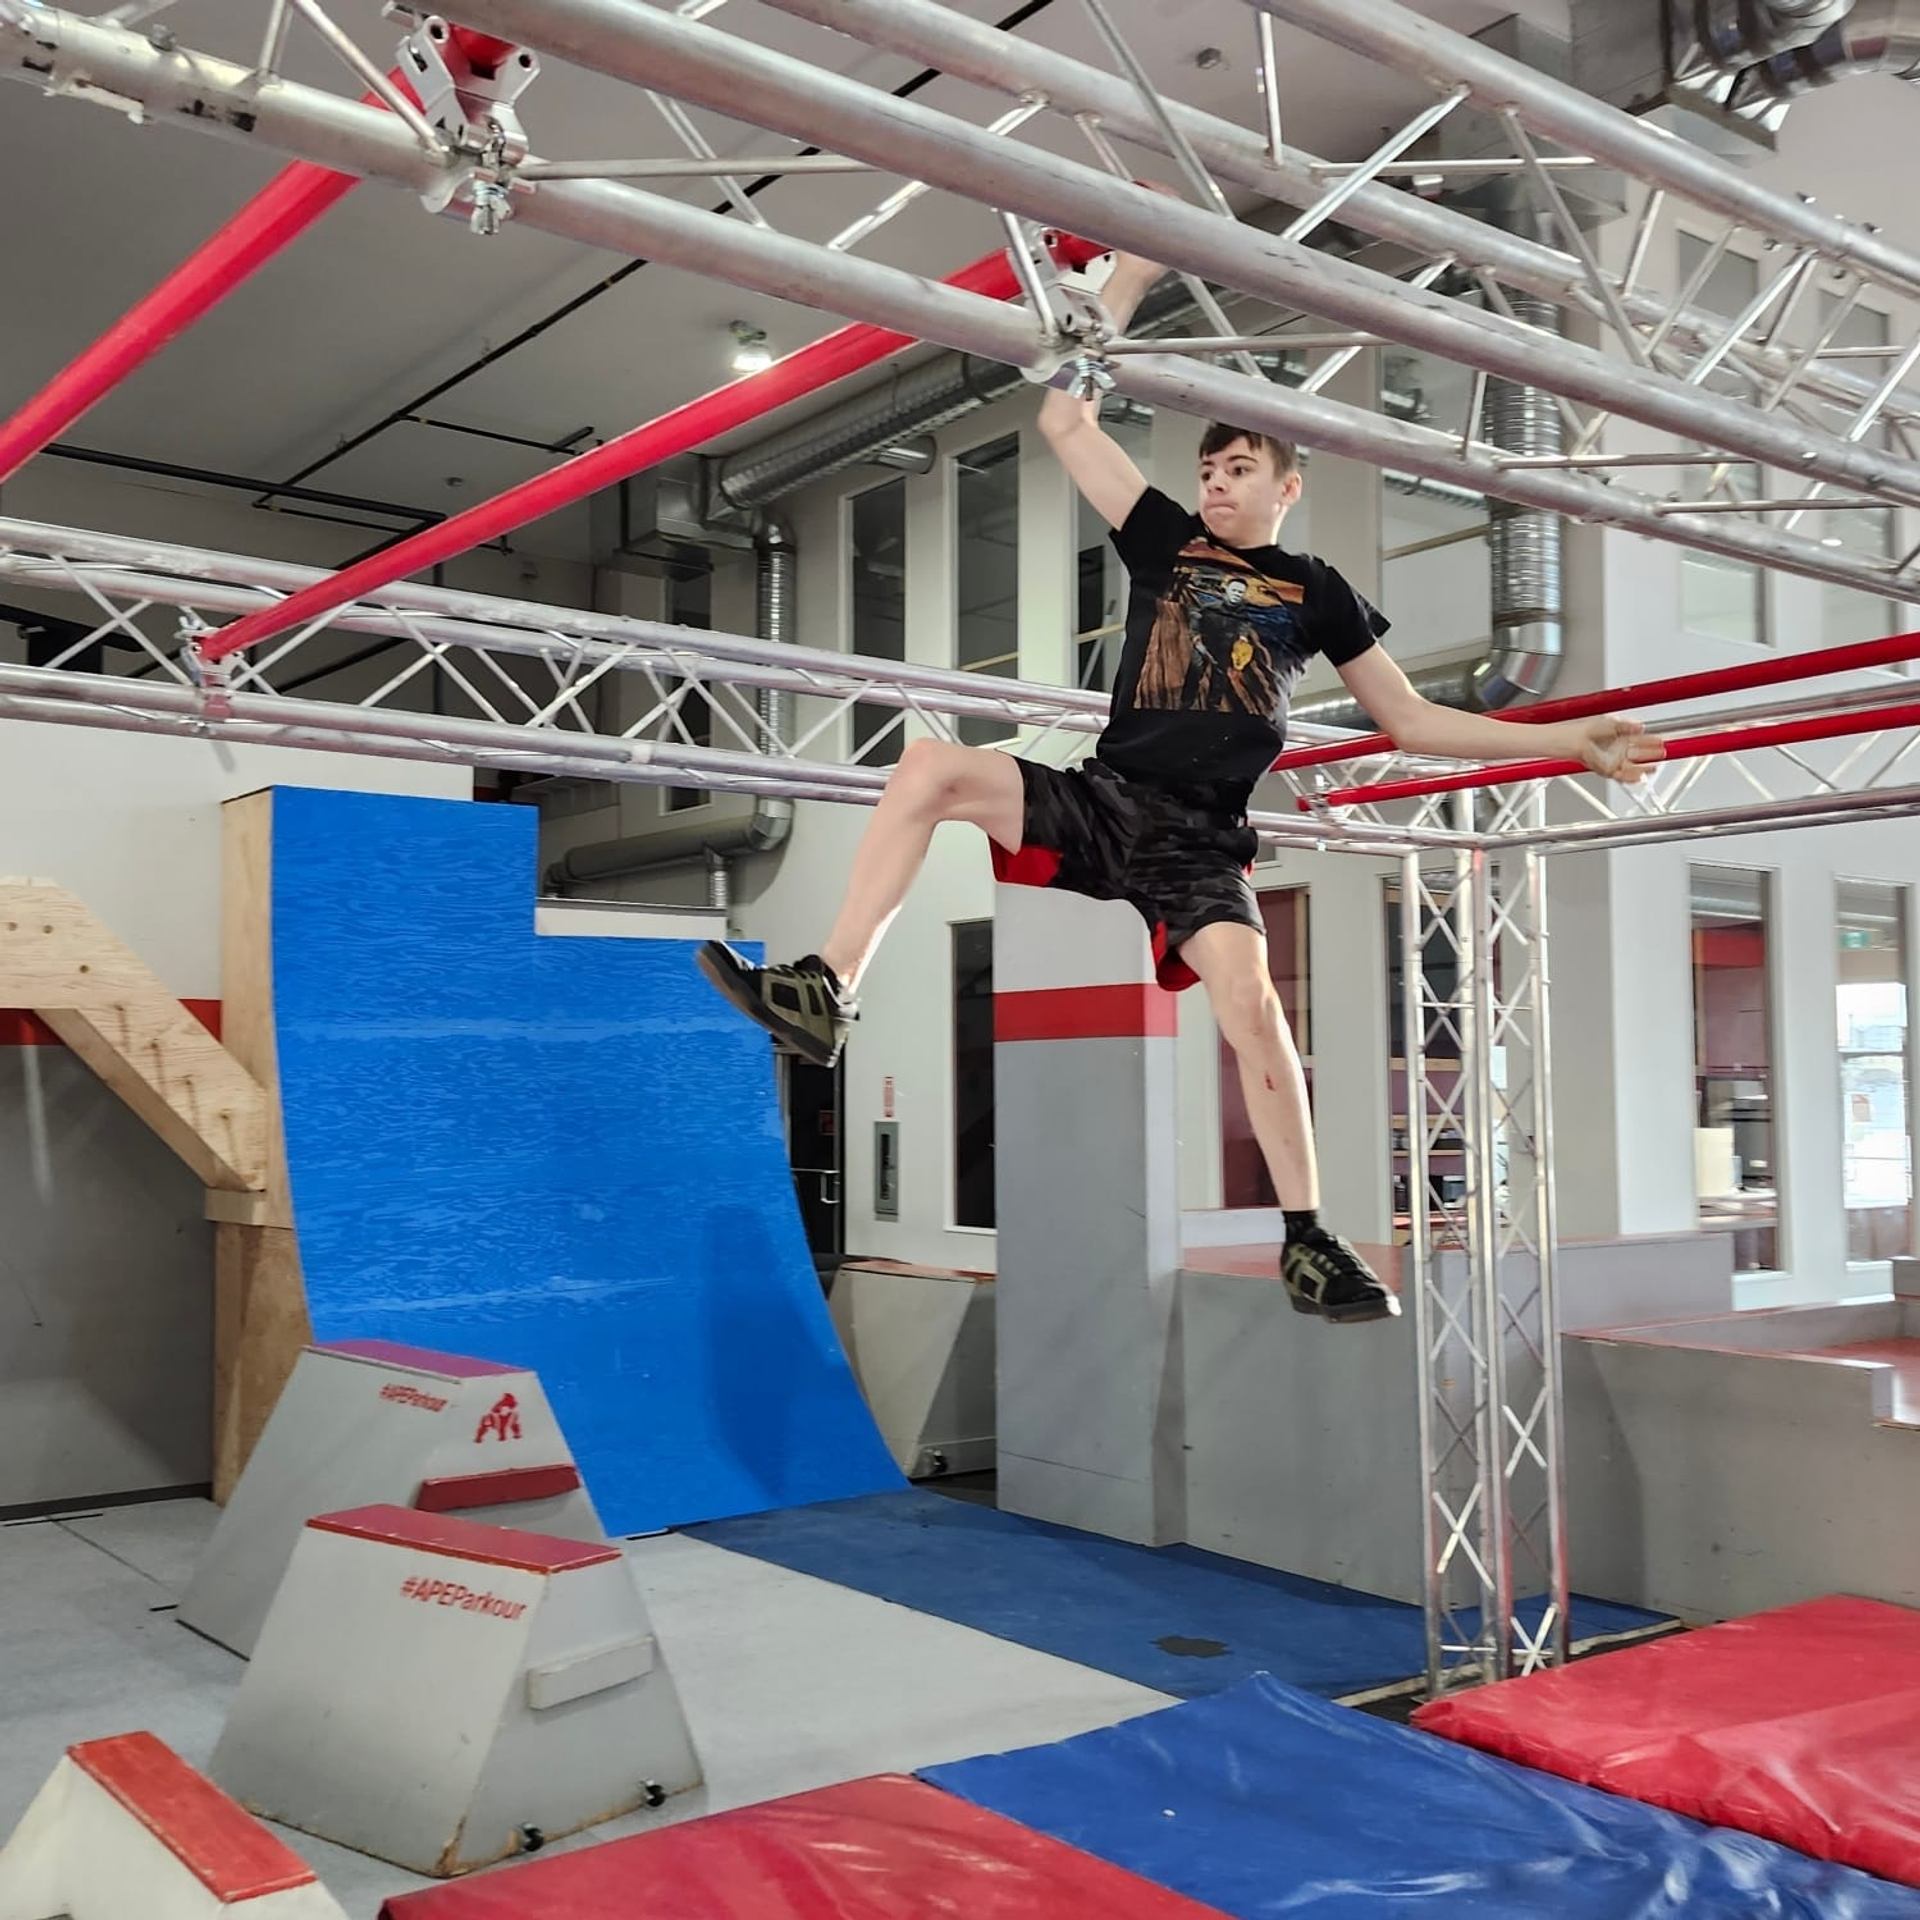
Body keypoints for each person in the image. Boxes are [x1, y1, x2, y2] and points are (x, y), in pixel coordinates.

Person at [699, 241, 1661, 1325]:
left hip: (1202, 838)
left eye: (1238, 469)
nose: (1214, 483)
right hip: (1108, 795)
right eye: (1207, 470)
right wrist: (1124, 286)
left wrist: (1572, 741)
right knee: (927, 766)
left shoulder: (1315, 589)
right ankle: (830, 985)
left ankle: (1308, 1240)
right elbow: (1068, 424)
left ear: (1288, 488)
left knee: (1254, 1011)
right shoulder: (1165, 541)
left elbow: (1411, 719)